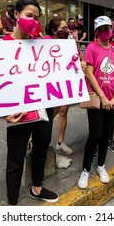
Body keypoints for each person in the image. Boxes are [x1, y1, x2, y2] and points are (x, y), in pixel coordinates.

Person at [0, 0, 59, 205]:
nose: (33, 21)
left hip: (43, 108)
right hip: (18, 113)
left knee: (41, 149)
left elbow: (56, 74)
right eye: (28, 15)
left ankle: (37, 188)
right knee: (15, 157)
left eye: (36, 17)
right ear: (16, 15)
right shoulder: (2, 45)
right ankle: (13, 202)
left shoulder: (44, 46)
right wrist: (3, 112)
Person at [78, 15, 114, 189]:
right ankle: (85, 169)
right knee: (94, 135)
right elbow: (89, 73)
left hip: (112, 100)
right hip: (98, 100)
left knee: (106, 136)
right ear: (97, 32)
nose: (106, 32)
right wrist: (104, 97)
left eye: (108, 28)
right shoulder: (92, 47)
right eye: (102, 29)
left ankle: (101, 166)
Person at [43, 17, 75, 155]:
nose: (66, 30)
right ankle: (41, 139)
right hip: (49, 83)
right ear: (54, 30)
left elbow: (76, 57)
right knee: (48, 113)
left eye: (67, 27)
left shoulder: (68, 43)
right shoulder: (45, 41)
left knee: (64, 110)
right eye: (63, 27)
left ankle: (60, 142)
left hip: (65, 81)